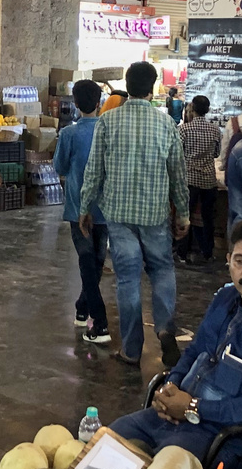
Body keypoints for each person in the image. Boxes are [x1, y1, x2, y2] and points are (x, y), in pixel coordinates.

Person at [110, 217, 242, 467]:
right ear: (229, 260)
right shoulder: (226, 297)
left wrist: (194, 407)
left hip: (225, 438)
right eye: (240, 261)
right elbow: (195, 351)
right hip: (176, 416)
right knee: (108, 443)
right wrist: (170, 389)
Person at [80, 61, 189, 367]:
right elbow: (177, 174)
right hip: (154, 213)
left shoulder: (107, 121)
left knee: (127, 279)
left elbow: (94, 170)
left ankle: (130, 349)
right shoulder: (166, 124)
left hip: (118, 213)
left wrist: (85, 206)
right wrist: (183, 213)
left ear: (127, 85)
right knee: (162, 270)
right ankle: (166, 328)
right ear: (152, 87)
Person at [55, 80, 111, 344]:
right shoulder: (109, 130)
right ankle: (85, 309)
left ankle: (91, 314)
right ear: (99, 102)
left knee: (87, 260)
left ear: (75, 103)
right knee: (97, 260)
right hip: (106, 207)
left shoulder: (69, 134)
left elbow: (60, 167)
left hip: (78, 206)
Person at [179, 95, 223, 264]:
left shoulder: (184, 130)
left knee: (186, 215)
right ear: (207, 110)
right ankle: (208, 252)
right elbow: (216, 154)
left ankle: (183, 252)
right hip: (208, 180)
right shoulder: (215, 130)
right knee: (207, 217)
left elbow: (178, 154)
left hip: (189, 179)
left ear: (193, 109)